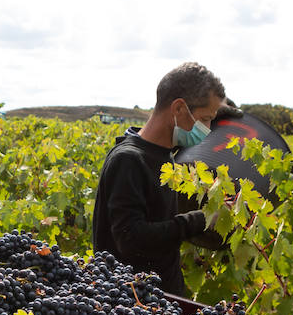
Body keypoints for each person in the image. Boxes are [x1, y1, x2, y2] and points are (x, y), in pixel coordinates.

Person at [90, 62, 227, 296]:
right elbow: (131, 240)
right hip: (132, 308)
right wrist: (199, 220)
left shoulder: (164, 153)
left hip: (163, 298)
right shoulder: (129, 161)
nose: (208, 128)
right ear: (179, 109)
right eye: (205, 119)